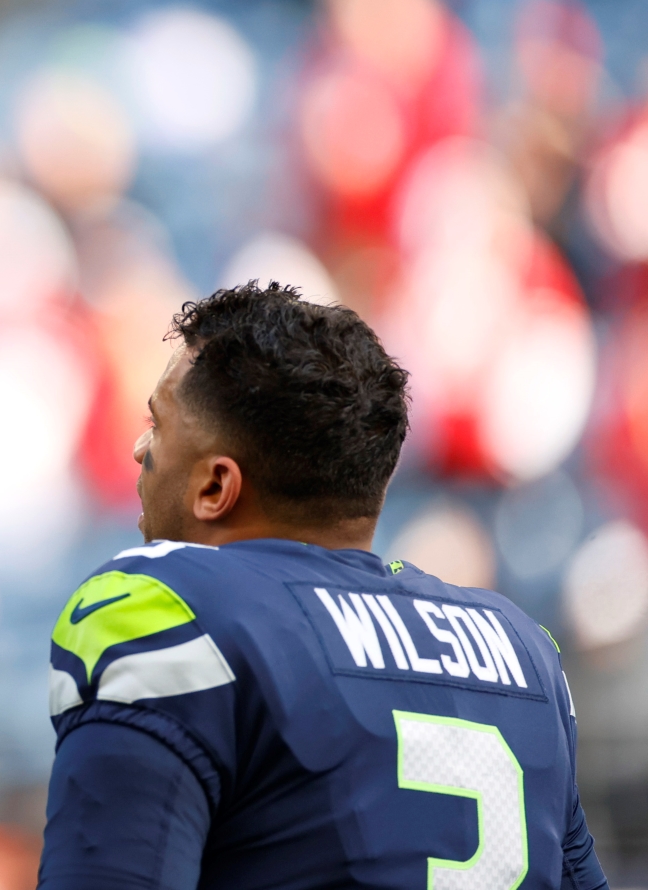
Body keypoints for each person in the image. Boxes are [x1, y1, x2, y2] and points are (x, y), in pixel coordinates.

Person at [38, 282, 608, 890]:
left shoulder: (167, 610)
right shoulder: (523, 650)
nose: (139, 447)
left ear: (215, 487)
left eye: (157, 424)